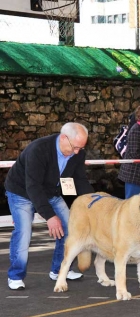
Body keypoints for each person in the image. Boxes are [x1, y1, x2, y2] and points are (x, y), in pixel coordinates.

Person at [5, 122, 94, 290]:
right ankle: (15, 276)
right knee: (24, 232)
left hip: (51, 192)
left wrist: (94, 201)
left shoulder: (77, 154)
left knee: (70, 228)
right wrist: (50, 216)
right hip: (21, 192)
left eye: (80, 149)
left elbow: (80, 180)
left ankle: (59, 270)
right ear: (63, 138)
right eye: (75, 147)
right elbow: (33, 186)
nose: (77, 152)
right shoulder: (38, 150)